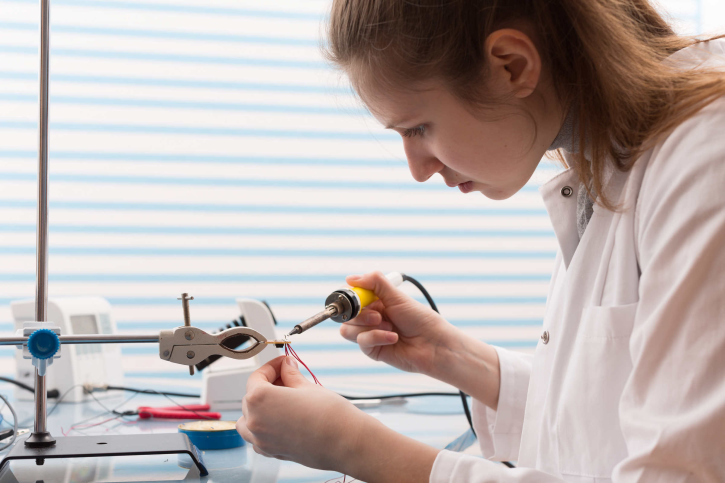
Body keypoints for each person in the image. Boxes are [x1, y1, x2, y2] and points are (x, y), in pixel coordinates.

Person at [236, 0, 725, 481]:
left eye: (419, 127)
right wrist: (452, 357)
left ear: (512, 66)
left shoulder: (707, 158)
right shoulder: (606, 159)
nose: (417, 169)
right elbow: (609, 412)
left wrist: (353, 446)